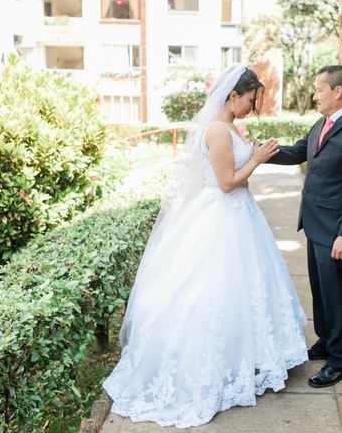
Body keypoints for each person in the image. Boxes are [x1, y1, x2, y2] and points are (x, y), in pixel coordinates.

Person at [103, 64, 308, 428]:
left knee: (245, 290)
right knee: (210, 291)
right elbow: (227, 182)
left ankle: (245, 357)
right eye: (249, 99)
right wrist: (257, 160)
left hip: (241, 216)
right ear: (232, 96)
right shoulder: (216, 129)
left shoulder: (229, 125)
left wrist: (254, 151)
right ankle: (213, 365)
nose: (251, 106)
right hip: (221, 215)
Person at [268, 65, 342, 388]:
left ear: (337, 91)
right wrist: (256, 152)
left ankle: (341, 360)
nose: (314, 95)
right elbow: (296, 153)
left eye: (319, 89)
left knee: (339, 296)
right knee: (321, 292)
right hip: (315, 225)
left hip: (337, 233)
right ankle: (326, 340)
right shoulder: (322, 123)